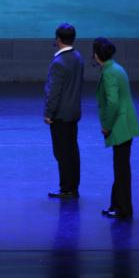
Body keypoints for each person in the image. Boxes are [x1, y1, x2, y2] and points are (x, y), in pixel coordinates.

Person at [94, 37, 139, 220]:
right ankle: (117, 205)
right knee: (121, 168)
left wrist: (106, 126)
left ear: (96, 55)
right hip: (126, 124)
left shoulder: (109, 73)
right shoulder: (116, 68)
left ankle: (123, 208)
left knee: (121, 169)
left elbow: (112, 103)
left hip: (120, 126)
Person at [44, 23, 84, 199]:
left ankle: (66, 188)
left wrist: (48, 113)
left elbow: (54, 92)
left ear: (58, 39)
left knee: (62, 152)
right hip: (73, 112)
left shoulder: (59, 63)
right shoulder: (78, 57)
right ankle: (72, 187)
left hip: (61, 114)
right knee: (72, 151)